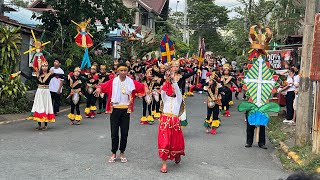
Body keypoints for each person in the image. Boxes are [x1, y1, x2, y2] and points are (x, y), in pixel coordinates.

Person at [94, 63, 147, 163]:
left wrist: (147, 89)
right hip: (114, 109)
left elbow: (142, 86)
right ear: (118, 71)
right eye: (121, 70)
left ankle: (122, 152)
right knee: (114, 133)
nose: (123, 72)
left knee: (124, 132)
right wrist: (98, 88)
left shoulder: (131, 82)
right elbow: (102, 86)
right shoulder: (113, 81)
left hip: (125, 110)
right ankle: (113, 153)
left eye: (125, 70)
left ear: (127, 71)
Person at [19, 61, 64, 130]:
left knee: (46, 107)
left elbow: (60, 75)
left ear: (48, 67)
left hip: (46, 92)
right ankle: (39, 125)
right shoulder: (37, 75)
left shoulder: (50, 74)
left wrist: (70, 75)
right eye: (43, 66)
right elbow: (29, 77)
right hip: (39, 92)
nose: (44, 67)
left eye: (46, 66)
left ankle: (45, 125)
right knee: (39, 107)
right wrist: (21, 73)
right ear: (41, 67)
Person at [158, 69, 185, 173]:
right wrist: (167, 80)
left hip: (174, 123)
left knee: (175, 143)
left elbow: (178, 91)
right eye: (171, 88)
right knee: (164, 142)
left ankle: (177, 154)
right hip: (164, 122)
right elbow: (163, 91)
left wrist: (174, 81)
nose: (173, 89)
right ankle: (164, 164)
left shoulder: (179, 99)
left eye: (174, 88)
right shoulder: (165, 98)